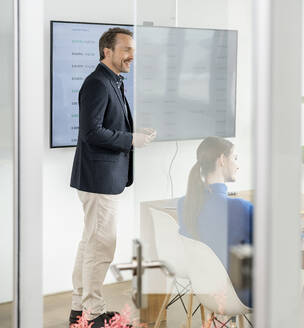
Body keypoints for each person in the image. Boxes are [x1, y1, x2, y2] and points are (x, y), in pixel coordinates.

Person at [69, 28, 156, 327]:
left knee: (91, 243)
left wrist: (135, 135)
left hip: (103, 177)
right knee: (101, 245)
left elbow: (108, 125)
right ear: (107, 51)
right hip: (99, 179)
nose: (132, 55)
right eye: (126, 49)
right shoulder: (97, 83)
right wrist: (131, 140)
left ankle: (79, 308)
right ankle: (92, 314)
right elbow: (91, 133)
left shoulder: (111, 81)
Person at [177, 136, 253, 307]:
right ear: (221, 160)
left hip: (205, 290)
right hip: (242, 294)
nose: (238, 165)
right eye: (234, 158)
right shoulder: (240, 207)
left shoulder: (184, 203)